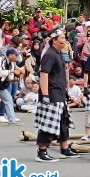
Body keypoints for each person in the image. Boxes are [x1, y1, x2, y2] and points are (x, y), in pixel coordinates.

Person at [33, 27, 79, 162]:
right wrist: (45, 95)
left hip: (59, 92)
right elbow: (43, 74)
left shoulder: (58, 53)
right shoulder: (49, 54)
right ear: (54, 41)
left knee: (63, 121)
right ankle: (42, 151)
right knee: (49, 122)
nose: (65, 40)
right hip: (51, 93)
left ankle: (64, 148)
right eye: (62, 38)